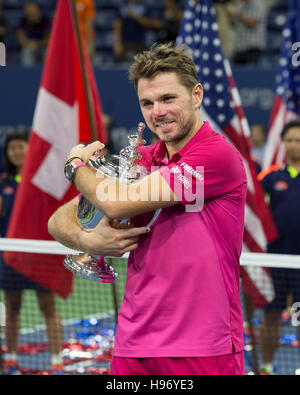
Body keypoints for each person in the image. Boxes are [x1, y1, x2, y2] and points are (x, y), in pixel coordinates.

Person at [48, 42, 247, 375]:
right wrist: (89, 242)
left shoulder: (216, 157)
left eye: (168, 98)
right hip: (133, 346)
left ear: (196, 95)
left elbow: (113, 201)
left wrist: (75, 164)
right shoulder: (141, 159)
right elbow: (58, 220)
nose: (158, 112)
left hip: (203, 350)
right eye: (147, 103)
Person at [0, 131, 64, 374]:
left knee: (48, 307)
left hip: (40, 254)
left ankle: (57, 361)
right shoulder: (3, 183)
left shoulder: (42, 181)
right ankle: (11, 358)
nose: (16, 151)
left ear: (30, 149)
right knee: (12, 307)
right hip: (12, 255)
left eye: (21, 147)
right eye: (12, 148)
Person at [258, 121, 300, 375]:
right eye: (290, 140)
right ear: (283, 143)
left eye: (298, 140)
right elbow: (251, 207)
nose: (294, 145)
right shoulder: (270, 177)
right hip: (275, 260)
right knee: (271, 315)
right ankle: (266, 367)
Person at [227, 0, 267, 65]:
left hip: (253, 49)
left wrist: (237, 14)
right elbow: (234, 24)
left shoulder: (258, 4)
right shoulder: (240, 6)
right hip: (240, 48)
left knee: (251, 73)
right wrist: (230, 15)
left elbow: (253, 23)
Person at [16, 1, 51, 66]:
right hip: (29, 46)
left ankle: (48, 73)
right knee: (26, 51)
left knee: (47, 52)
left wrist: (37, 44)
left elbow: (48, 38)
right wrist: (29, 44)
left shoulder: (46, 20)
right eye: (28, 9)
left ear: (37, 9)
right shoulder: (22, 21)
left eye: (32, 9)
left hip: (43, 46)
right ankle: (27, 73)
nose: (30, 11)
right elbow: (20, 39)